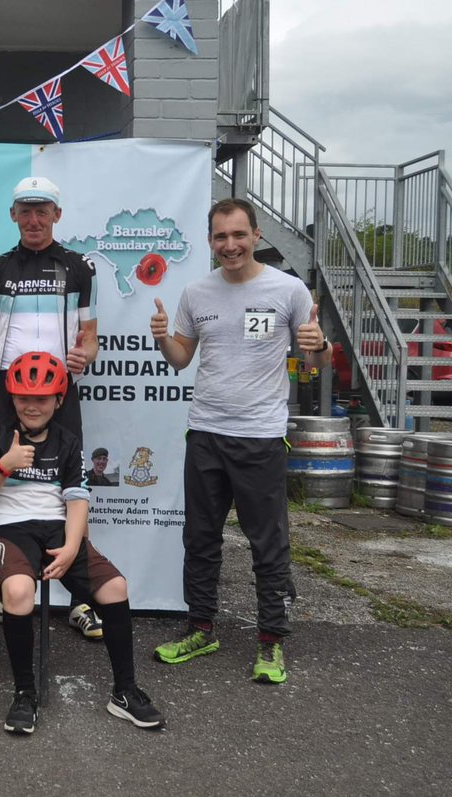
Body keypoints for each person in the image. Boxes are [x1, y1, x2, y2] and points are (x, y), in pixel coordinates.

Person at [149, 197, 332, 684]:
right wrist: (163, 337)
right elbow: (180, 359)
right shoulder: (197, 293)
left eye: (238, 235)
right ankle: (200, 629)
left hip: (260, 437)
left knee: (267, 543)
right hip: (206, 432)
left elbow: (315, 363)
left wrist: (319, 347)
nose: (230, 245)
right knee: (200, 539)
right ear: (210, 241)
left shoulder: (288, 290)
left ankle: (271, 640)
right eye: (220, 237)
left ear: (256, 235)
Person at [0, 351, 164, 734]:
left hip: (57, 529)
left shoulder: (68, 441)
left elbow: (77, 501)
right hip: (6, 529)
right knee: (19, 591)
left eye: (42, 398)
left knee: (115, 587)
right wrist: (5, 464)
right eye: (24, 397)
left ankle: (124, 692)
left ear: (59, 400)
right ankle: (25, 694)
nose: (32, 406)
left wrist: (73, 546)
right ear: (12, 397)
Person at [0, 176, 103, 640]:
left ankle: (82, 599)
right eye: (25, 211)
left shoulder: (79, 267)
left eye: (42, 211)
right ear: (13, 216)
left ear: (56, 215)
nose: (34, 220)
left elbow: (91, 337)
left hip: (58, 389)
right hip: (8, 388)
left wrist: (86, 355)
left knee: (72, 485)